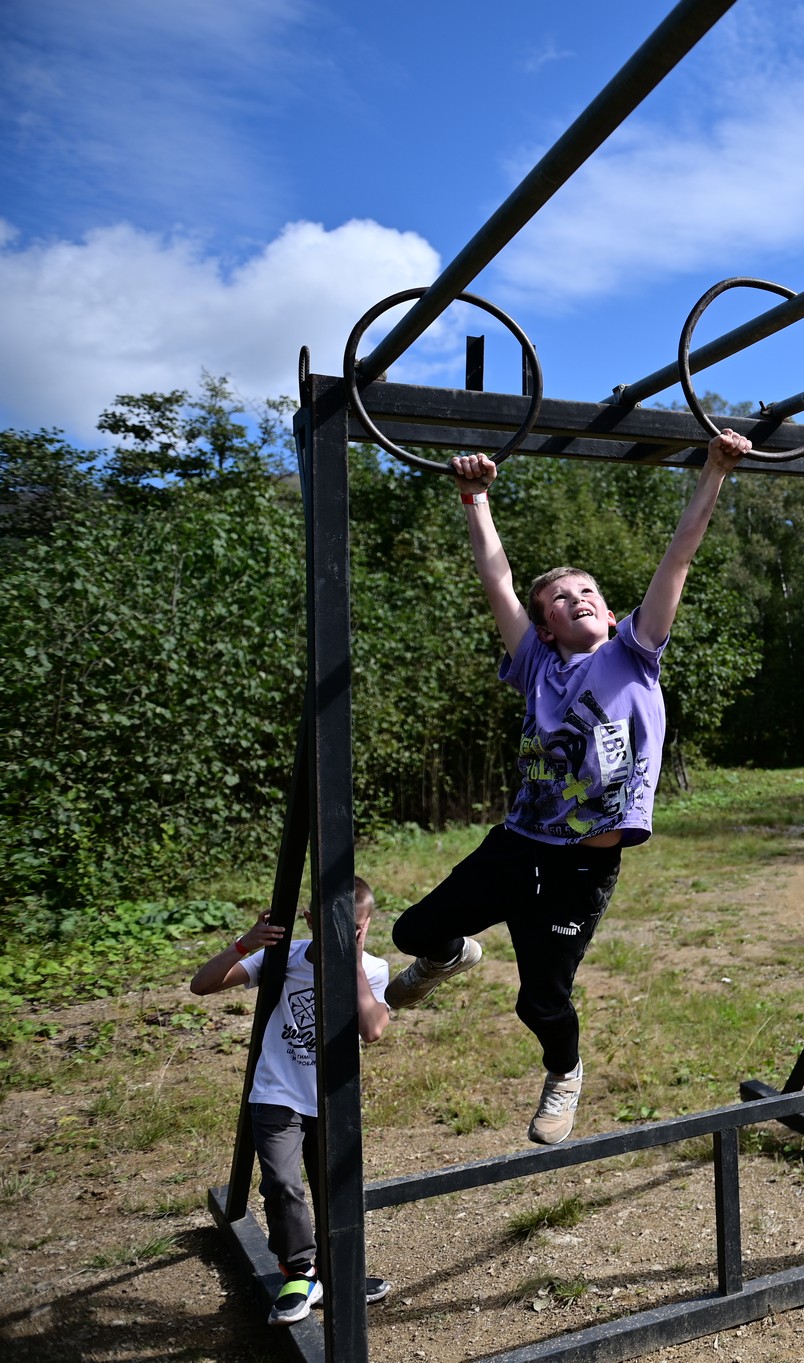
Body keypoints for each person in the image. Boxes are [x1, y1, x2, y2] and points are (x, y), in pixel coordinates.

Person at [383, 431, 751, 1146]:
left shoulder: (634, 655)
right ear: (544, 625)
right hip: (518, 845)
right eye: (559, 597)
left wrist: (713, 469)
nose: (576, 599)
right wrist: (475, 496)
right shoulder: (535, 666)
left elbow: (679, 556)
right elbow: (495, 578)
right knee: (412, 931)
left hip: (582, 863)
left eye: (588, 591)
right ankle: (448, 956)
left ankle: (565, 1071)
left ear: (611, 613)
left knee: (541, 999)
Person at [191, 877, 391, 1325]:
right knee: (282, 1185)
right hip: (278, 1092)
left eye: (353, 928)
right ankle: (300, 1273)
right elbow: (201, 985)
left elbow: (373, 1029)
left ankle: (339, 1271)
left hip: (332, 1100)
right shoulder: (286, 957)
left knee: (333, 1192)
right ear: (309, 920)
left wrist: (354, 962)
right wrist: (243, 945)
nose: (342, 936)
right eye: (331, 927)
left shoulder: (373, 970)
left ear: (366, 924)